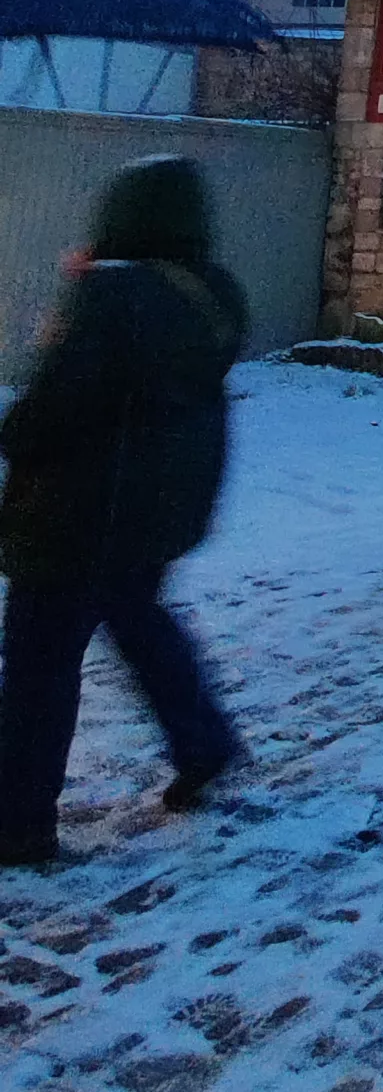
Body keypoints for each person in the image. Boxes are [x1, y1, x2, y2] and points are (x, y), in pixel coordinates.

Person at [0, 156, 247, 866]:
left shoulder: (111, 295)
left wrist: (18, 426)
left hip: (78, 515)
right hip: (157, 509)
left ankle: (18, 824)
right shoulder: (213, 292)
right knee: (139, 620)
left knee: (39, 666)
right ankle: (203, 742)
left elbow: (56, 405)